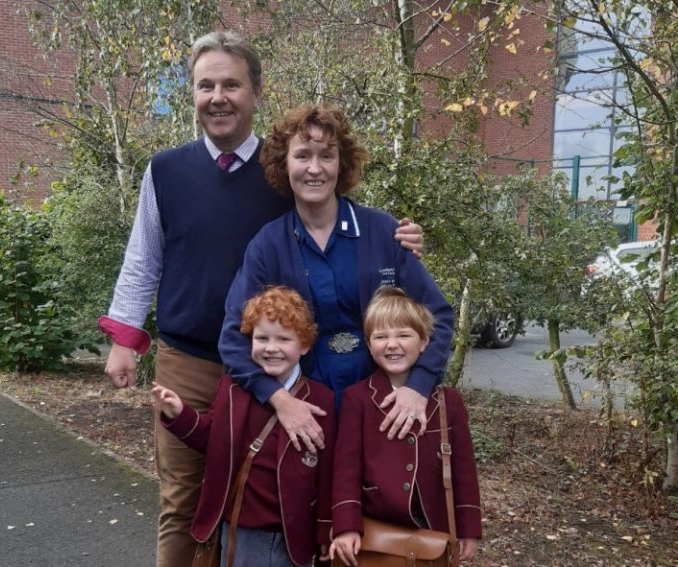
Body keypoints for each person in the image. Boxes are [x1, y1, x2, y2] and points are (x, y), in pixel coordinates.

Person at [98, 32, 423, 567]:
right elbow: (143, 259)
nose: (218, 96)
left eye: (231, 84)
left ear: (255, 93)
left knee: (268, 500)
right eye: (206, 85)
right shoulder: (166, 171)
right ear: (193, 94)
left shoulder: (285, 170)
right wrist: (125, 339)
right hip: (189, 363)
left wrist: (403, 241)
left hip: (278, 368)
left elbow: (343, 228)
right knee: (183, 503)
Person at [219, 105, 454, 456]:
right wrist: (281, 401)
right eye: (302, 155)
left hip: (383, 409)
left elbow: (439, 316)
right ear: (285, 164)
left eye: (326, 155)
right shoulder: (268, 246)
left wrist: (418, 387)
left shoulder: (384, 232)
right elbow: (232, 339)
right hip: (305, 414)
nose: (314, 168)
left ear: (341, 164)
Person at [152, 286, 335, 567]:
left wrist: (325, 530)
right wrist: (179, 415)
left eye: (283, 339)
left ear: (305, 345)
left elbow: (327, 473)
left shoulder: (320, 399)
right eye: (262, 338)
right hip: (234, 525)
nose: (271, 348)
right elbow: (212, 441)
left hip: (285, 533)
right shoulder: (232, 388)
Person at [329, 287, 482, 566]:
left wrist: (469, 528)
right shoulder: (357, 398)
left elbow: (464, 471)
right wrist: (346, 525)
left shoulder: (449, 403)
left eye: (403, 335)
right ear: (367, 342)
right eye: (381, 336)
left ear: (424, 341)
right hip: (376, 531)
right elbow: (345, 469)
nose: (392, 344)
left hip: (433, 526)